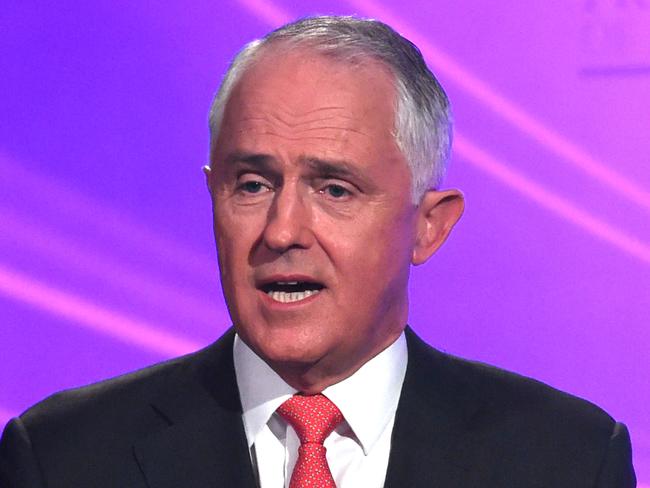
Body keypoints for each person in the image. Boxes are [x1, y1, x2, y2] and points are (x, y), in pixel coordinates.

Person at [0, 15, 635, 488]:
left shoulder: (567, 459)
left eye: (334, 188)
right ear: (211, 195)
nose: (282, 231)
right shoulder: (62, 457)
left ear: (430, 227)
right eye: (252, 184)